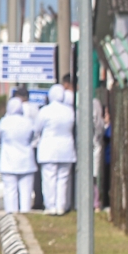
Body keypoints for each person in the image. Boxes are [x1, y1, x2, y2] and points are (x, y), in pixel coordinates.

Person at [35, 84, 77, 215]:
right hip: (66, 148)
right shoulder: (70, 111)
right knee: (63, 179)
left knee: (49, 178)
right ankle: (61, 206)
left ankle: (50, 205)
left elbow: (37, 129)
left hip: (49, 148)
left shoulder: (45, 111)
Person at [0, 97, 37, 212]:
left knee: (10, 191)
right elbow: (34, 137)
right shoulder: (28, 122)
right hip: (26, 161)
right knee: (26, 191)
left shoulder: (4, 122)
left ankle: (11, 214)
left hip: (8, 160)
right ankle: (25, 213)